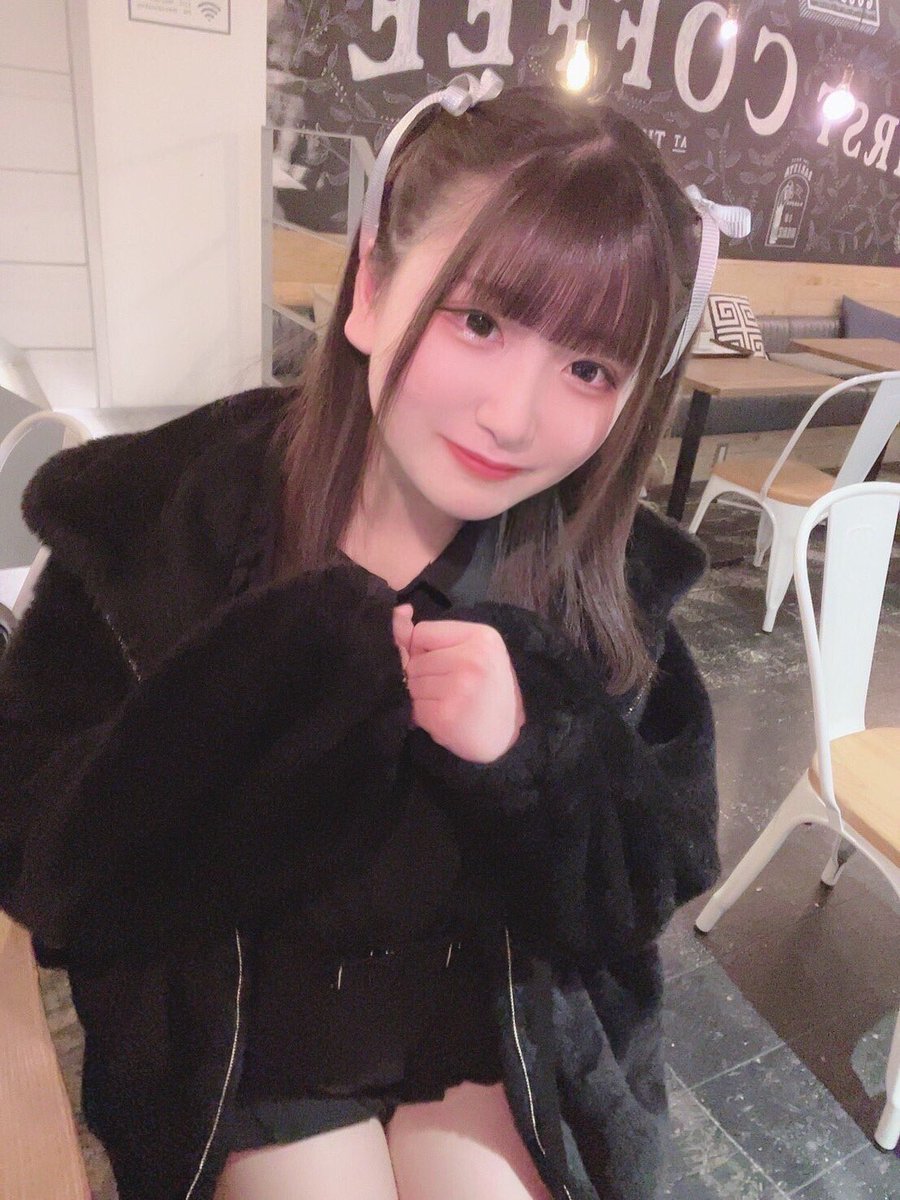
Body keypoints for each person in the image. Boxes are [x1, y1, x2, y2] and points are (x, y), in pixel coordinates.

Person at [0, 73, 737, 1200]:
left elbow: (639, 889)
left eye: (588, 369)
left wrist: (536, 751)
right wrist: (250, 689)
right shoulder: (154, 524)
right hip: (248, 1024)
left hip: (484, 1019)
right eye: (480, 322)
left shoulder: (606, 582)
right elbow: (46, 858)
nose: (513, 416)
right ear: (372, 289)